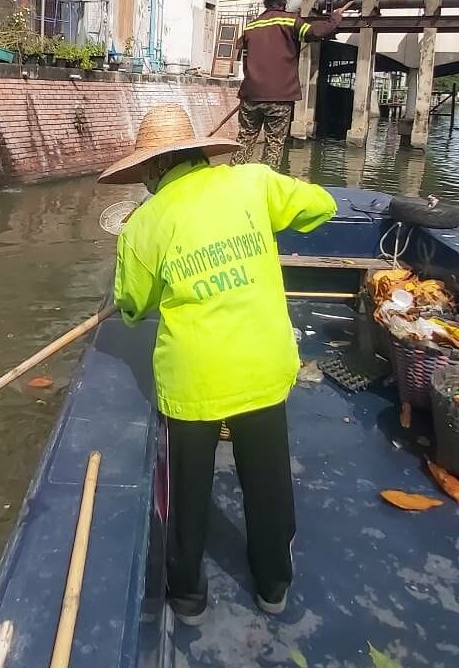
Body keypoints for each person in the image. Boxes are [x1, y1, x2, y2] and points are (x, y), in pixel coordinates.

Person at [100, 103, 338, 626]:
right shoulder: (253, 183)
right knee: (268, 479)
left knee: (186, 491)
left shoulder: (144, 226)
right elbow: (320, 206)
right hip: (263, 366)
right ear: (199, 155)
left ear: (152, 170)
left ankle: (187, 598)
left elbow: (134, 307)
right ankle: (273, 585)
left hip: (194, 381)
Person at [231, 0, 352, 169]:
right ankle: (267, 186)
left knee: (244, 140)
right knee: (274, 145)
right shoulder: (290, 21)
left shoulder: (251, 26)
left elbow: (243, 55)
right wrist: (334, 19)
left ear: (265, 2)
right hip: (279, 97)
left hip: (251, 95)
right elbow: (316, 32)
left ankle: (233, 180)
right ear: (284, 2)